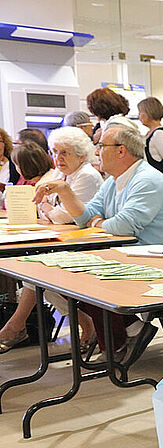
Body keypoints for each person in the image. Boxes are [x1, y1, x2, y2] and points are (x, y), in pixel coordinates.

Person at [31, 123, 163, 362]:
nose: (97, 151)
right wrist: (64, 191)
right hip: (127, 252)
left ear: (121, 151)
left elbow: (122, 226)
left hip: (153, 257)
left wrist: (96, 222)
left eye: (101, 146)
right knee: (64, 272)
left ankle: (116, 343)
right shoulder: (115, 181)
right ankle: (129, 330)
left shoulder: (146, 180)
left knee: (85, 276)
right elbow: (83, 216)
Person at [0, 128, 102, 353]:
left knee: (37, 271)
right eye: (55, 152)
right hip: (64, 240)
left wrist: (47, 207)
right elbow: (46, 210)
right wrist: (49, 208)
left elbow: (64, 216)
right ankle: (84, 323)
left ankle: (15, 327)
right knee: (34, 271)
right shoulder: (60, 174)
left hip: (88, 244)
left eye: (65, 152)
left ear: (82, 155)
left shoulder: (87, 176)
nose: (59, 158)